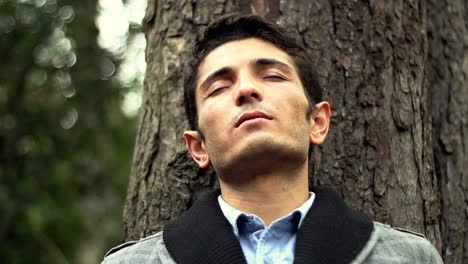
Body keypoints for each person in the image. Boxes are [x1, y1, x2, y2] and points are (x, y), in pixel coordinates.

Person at [102, 13, 443, 264]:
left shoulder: (409, 258)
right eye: (220, 87)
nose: (247, 89)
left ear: (318, 122)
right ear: (198, 147)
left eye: (272, 75)